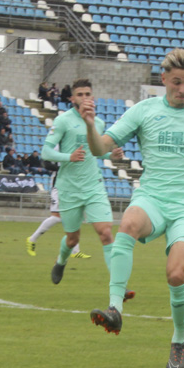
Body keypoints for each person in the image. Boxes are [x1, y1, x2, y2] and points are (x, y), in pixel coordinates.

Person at [81, 49, 184, 368]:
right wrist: (91, 125)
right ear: (163, 79)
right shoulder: (144, 111)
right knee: (129, 222)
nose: (183, 89)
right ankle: (115, 308)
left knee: (176, 274)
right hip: (153, 197)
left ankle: (180, 339)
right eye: (176, 82)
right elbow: (98, 148)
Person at [42, 79, 126, 291]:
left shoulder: (98, 123)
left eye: (88, 94)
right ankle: (61, 262)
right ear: (72, 99)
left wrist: (112, 155)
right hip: (69, 187)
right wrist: (68, 157)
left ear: (93, 97)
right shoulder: (63, 121)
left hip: (93, 185)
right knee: (72, 239)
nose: (84, 98)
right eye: (79, 94)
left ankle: (119, 285)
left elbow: (97, 151)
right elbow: (46, 152)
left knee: (106, 232)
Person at [25, 162, 93, 261]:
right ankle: (32, 239)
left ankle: (75, 251)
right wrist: (63, 167)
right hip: (58, 186)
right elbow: (47, 164)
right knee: (57, 217)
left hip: (71, 187)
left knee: (74, 216)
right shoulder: (58, 148)